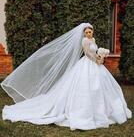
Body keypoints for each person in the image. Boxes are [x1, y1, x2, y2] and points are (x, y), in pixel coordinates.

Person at [1, 23, 132, 131]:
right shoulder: (85, 41)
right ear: (84, 33)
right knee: (84, 86)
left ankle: (104, 111)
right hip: (88, 63)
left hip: (96, 64)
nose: (88, 34)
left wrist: (100, 54)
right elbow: (87, 54)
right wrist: (97, 59)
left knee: (102, 86)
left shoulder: (93, 40)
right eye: (86, 32)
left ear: (92, 32)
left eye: (90, 32)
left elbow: (95, 50)